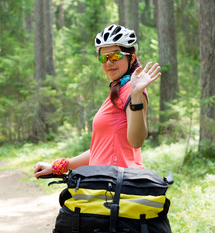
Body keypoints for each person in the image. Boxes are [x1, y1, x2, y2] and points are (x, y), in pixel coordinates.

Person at [34, 24, 161, 179]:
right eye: (103, 58)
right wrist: (59, 166)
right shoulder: (117, 92)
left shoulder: (132, 90)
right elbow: (100, 149)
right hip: (101, 183)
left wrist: (136, 96)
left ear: (131, 57)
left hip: (117, 187)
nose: (108, 63)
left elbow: (136, 141)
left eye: (115, 56)